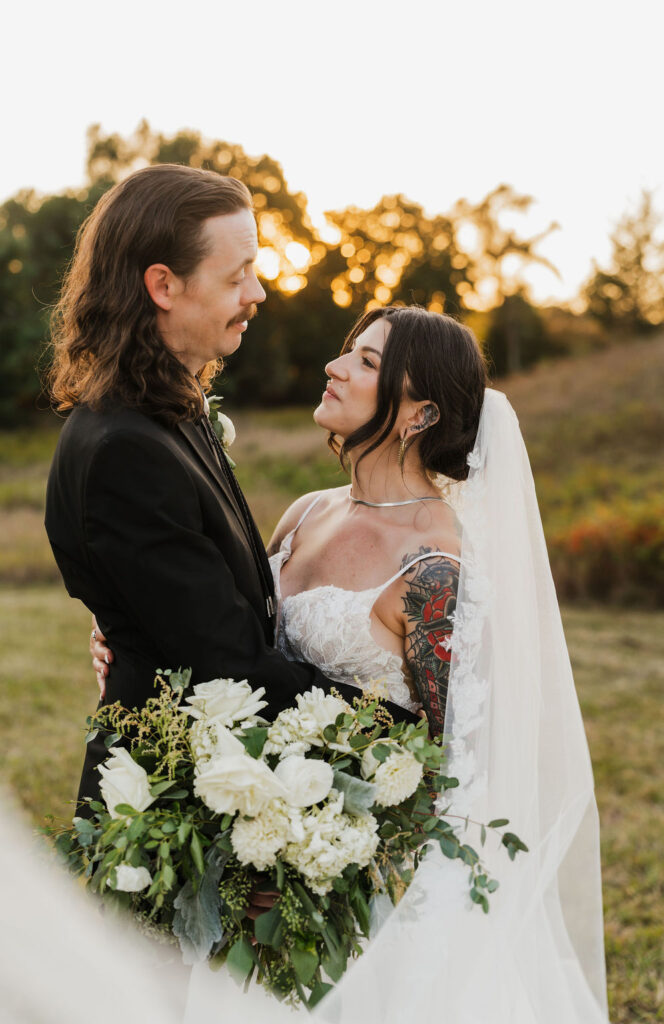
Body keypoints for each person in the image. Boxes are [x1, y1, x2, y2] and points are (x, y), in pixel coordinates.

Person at [90, 305, 611, 1022]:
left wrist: (318, 859)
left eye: (365, 362)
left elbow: (450, 764)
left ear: (418, 412)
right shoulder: (306, 512)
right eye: (346, 352)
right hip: (248, 840)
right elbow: (234, 647)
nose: (334, 367)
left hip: (355, 887)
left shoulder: (434, 569)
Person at [44, 164, 419, 814]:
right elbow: (229, 666)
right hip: (172, 803)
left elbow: (200, 608)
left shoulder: (168, 413)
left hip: (224, 774)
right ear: (162, 284)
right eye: (236, 274)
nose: (259, 292)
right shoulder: (124, 448)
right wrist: (392, 724)